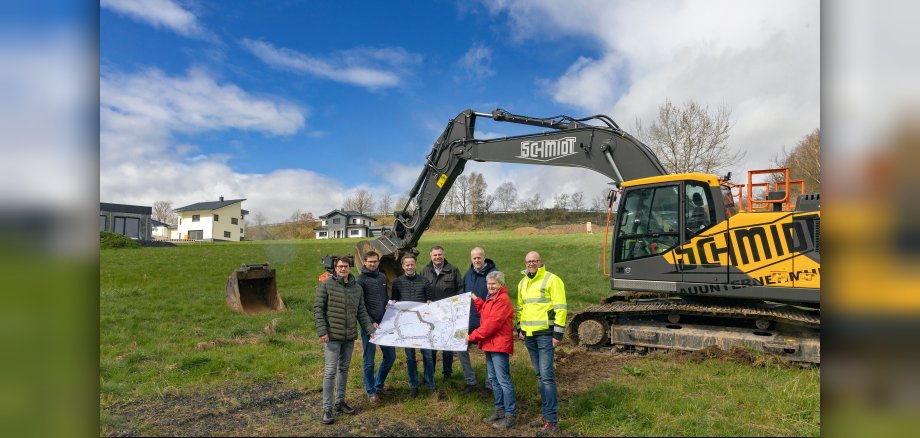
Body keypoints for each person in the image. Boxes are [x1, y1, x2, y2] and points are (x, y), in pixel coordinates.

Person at [313, 256, 378, 425]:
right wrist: (322, 331)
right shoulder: (326, 285)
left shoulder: (356, 288)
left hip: (349, 337)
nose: (343, 269)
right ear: (335, 268)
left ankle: (340, 402)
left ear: (350, 268)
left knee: (344, 369)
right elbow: (318, 309)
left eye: (346, 266)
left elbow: (361, 311)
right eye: (340, 266)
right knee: (330, 371)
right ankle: (327, 409)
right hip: (332, 336)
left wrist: (370, 329)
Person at [516, 251, 567, 436]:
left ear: (541, 262)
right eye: (529, 261)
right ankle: (545, 416)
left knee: (546, 376)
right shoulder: (522, 283)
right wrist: (520, 328)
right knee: (539, 376)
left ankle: (552, 420)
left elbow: (561, 307)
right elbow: (521, 308)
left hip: (546, 335)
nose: (531, 264)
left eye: (534, 261)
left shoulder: (552, 280)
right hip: (530, 336)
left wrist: (558, 334)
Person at [468, 271, 516, 430]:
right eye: (488, 284)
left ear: (501, 284)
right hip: (490, 344)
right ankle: (499, 410)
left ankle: (510, 416)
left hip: (499, 344)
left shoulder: (502, 300)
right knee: (494, 379)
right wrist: (477, 301)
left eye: (493, 283)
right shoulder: (491, 298)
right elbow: (486, 313)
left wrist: (471, 336)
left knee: (503, 380)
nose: (490, 286)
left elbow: (491, 325)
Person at [390, 254, 434, 396]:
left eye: (412, 264)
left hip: (422, 325)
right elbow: (394, 301)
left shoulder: (424, 281)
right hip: (406, 326)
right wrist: (393, 304)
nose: (410, 267)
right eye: (407, 265)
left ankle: (430, 383)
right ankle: (414, 385)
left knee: (427, 355)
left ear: (415, 265)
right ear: (403, 266)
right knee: (410, 357)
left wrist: (429, 303)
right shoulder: (397, 283)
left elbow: (429, 299)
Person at [355, 251, 395, 403]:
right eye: (370, 262)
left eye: (375, 261)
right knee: (369, 361)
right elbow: (361, 304)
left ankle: (378, 385)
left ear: (379, 262)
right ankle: (371, 391)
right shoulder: (361, 280)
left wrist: (390, 305)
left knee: (390, 357)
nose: (373, 264)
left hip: (384, 324)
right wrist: (370, 322)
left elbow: (384, 297)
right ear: (364, 262)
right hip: (369, 326)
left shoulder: (382, 277)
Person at [420, 245, 463, 383]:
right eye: (435, 255)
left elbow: (460, 290)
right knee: (431, 346)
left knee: (447, 346)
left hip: (448, 315)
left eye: (440, 254)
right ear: (430, 256)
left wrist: (454, 308)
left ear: (443, 255)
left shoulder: (453, 270)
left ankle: (447, 375)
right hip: (431, 316)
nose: (437, 257)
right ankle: (430, 374)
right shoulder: (424, 271)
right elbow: (421, 291)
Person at [461, 246, 498, 393]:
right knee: (461, 348)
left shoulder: (494, 275)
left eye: (479, 257)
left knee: (489, 353)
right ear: (471, 259)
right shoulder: (468, 275)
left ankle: (490, 384)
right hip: (468, 321)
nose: (477, 260)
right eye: (474, 258)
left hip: (486, 321)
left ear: (484, 257)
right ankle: (470, 381)